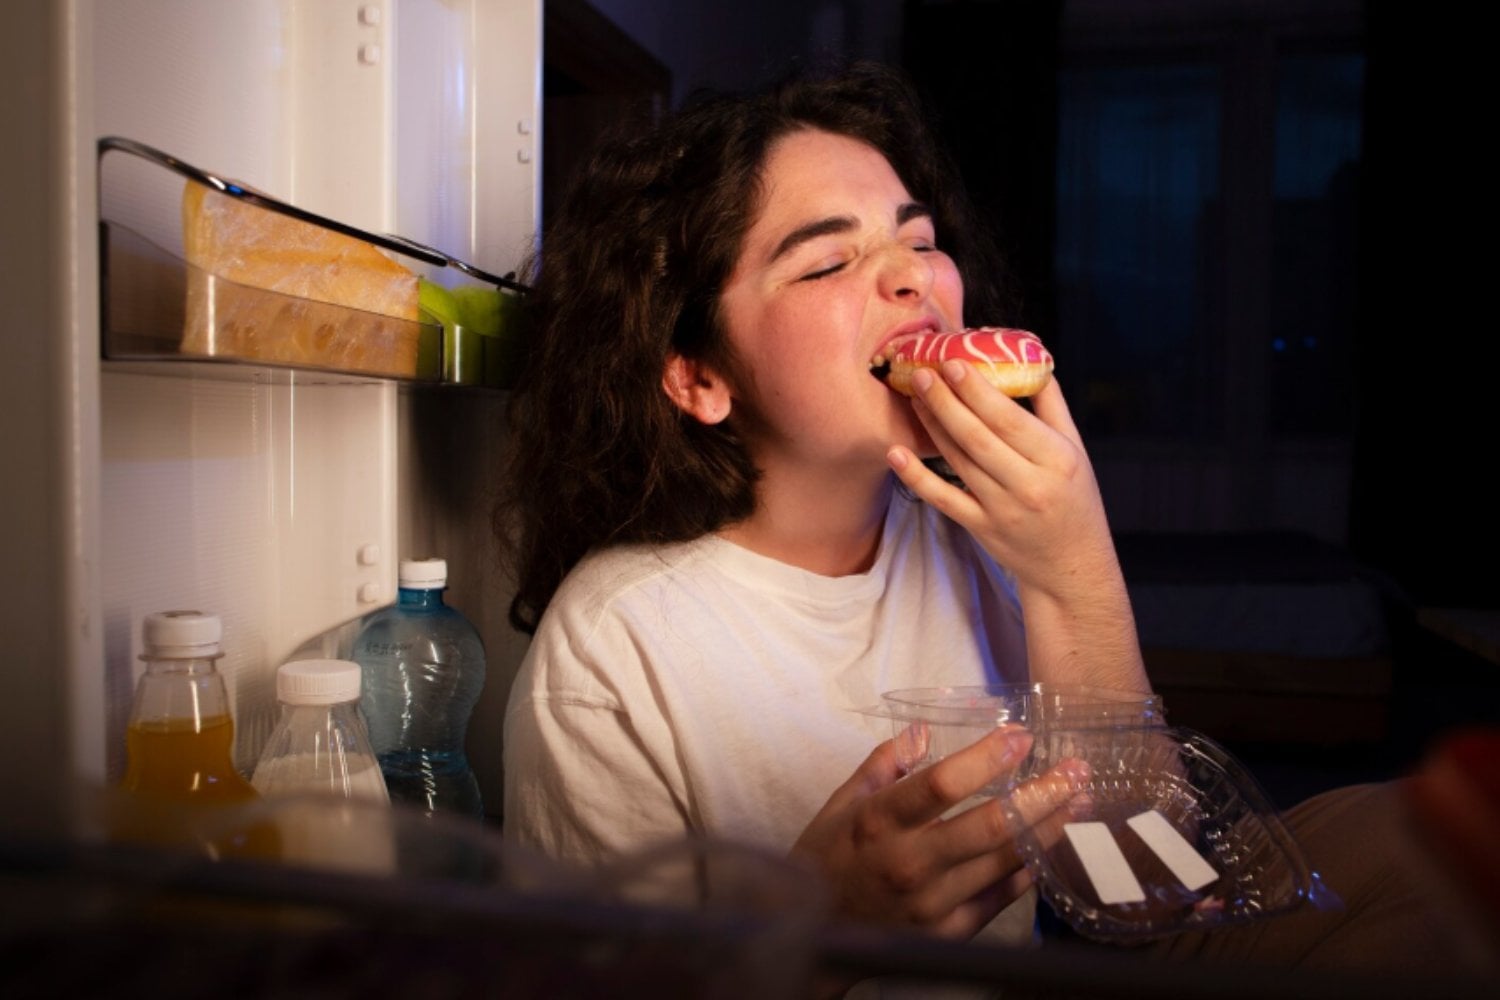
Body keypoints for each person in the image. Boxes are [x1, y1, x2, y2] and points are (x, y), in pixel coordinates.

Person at [497, 62, 1486, 985]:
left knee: (1442, 840)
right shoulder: (615, 649)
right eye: (828, 261)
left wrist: (1073, 568)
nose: (914, 280)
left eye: (921, 242)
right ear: (698, 376)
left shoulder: (978, 538)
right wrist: (821, 926)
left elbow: (1143, 889)